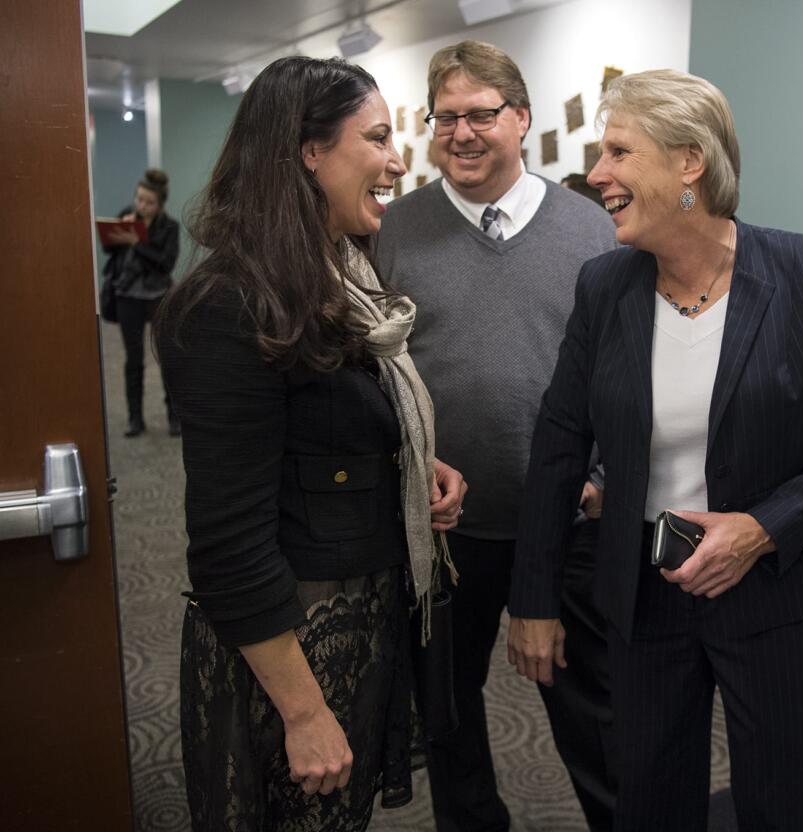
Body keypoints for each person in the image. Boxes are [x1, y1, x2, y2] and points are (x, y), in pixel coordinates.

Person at [507, 69, 803, 831]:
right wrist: (534, 597)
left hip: (779, 595)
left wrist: (761, 528)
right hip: (643, 594)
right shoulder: (605, 286)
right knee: (649, 800)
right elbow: (558, 444)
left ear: (690, 162)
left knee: (778, 803)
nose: (597, 175)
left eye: (619, 151)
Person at [156, 56, 466, 831]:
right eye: (380, 137)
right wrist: (302, 713)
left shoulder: (341, 277)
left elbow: (321, 428)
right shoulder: (232, 305)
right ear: (309, 152)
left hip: (355, 625)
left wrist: (407, 463)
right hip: (289, 659)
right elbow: (227, 544)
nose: (400, 161)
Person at [375, 40, 619, 832]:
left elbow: (630, 370)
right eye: (445, 117)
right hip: (445, 530)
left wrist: (606, 475)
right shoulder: (393, 231)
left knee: (593, 713)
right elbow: (369, 369)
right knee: (445, 711)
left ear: (521, 119)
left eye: (481, 114)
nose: (462, 132)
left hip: (568, 523)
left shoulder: (591, 230)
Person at [101, 168, 180, 437]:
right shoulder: (127, 215)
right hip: (127, 296)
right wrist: (119, 233)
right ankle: (135, 418)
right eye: (139, 199)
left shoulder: (169, 227)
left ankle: (174, 416)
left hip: (158, 296)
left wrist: (136, 242)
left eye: (148, 202)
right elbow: (108, 249)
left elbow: (165, 263)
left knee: (167, 356)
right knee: (133, 358)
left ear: (159, 205)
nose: (142, 205)